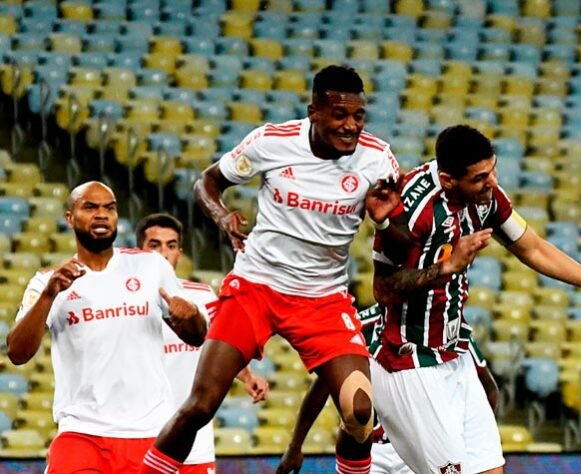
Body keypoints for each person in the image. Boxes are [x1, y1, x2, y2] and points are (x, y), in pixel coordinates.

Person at [141, 65, 402, 474]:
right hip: (256, 288)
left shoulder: (378, 159)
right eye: (339, 115)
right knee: (201, 404)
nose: (350, 126)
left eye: (358, 116)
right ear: (313, 111)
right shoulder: (271, 142)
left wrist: (384, 220)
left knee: (360, 412)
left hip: (323, 298)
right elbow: (206, 182)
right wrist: (222, 215)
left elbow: (400, 239)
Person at [369, 125, 581, 474]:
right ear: (449, 180)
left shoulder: (484, 197)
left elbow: (533, 248)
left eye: (493, 169)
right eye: (481, 176)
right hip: (411, 363)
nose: (493, 182)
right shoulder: (414, 207)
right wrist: (448, 266)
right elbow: (383, 289)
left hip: (455, 352)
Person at [6, 182, 207, 473]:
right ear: (70, 218)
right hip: (81, 431)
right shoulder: (48, 280)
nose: (102, 214)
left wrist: (190, 316)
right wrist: (50, 295)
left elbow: (197, 336)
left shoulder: (151, 266)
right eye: (90, 207)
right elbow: (17, 352)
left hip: (150, 432)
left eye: (109, 208)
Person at [275, 304, 499, 474]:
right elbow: (321, 389)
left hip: (421, 441)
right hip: (372, 450)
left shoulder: (445, 326)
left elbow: (487, 389)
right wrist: (295, 446)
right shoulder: (358, 328)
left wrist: (472, 438)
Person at [135, 213, 270, 473]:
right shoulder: (126, 300)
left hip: (195, 444)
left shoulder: (203, 295)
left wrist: (248, 376)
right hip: (140, 435)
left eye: (171, 246)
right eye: (154, 245)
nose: (163, 253)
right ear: (138, 250)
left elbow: (219, 343)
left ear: (180, 253)